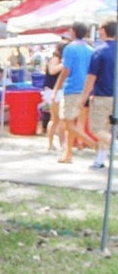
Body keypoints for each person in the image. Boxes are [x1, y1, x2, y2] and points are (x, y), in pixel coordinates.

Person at [55, 23, 97, 164]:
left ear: (73, 32)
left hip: (72, 89)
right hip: (86, 89)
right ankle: (68, 154)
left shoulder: (69, 48)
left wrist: (56, 88)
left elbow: (65, 70)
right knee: (78, 122)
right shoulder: (91, 50)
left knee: (67, 123)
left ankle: (91, 143)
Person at [80, 19, 116, 170]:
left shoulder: (99, 51)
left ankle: (113, 148)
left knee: (97, 129)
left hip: (103, 96)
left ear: (103, 31)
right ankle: (100, 160)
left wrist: (84, 97)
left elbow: (91, 78)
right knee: (108, 129)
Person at [43, 42, 65, 151]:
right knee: (57, 119)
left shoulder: (57, 58)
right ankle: (55, 143)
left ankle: (56, 143)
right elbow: (52, 71)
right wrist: (64, 64)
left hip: (56, 91)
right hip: (53, 91)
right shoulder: (56, 59)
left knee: (57, 119)